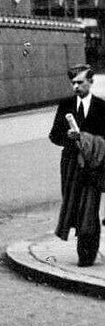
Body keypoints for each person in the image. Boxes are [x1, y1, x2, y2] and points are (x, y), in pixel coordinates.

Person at [50, 64, 105, 267]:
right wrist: (68, 137)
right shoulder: (66, 105)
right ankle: (84, 249)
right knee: (73, 207)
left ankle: (86, 254)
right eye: (73, 82)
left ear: (90, 82)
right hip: (71, 166)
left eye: (80, 82)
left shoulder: (101, 106)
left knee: (89, 209)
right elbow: (53, 135)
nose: (75, 86)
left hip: (93, 166)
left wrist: (87, 139)